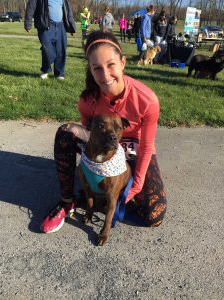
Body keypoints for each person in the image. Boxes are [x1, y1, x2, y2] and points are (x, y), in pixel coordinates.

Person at [40, 30, 167, 234]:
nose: (105, 75)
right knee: (66, 132)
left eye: (111, 65)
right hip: (101, 145)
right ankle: (67, 201)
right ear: (90, 70)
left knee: (154, 214)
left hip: (133, 150)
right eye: (97, 68)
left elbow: (147, 146)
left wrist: (137, 184)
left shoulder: (147, 99)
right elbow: (90, 137)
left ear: (123, 62)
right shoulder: (87, 100)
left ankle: (111, 194)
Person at [24, 0, 76, 80]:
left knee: (61, 50)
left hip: (60, 26)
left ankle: (59, 74)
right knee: (47, 50)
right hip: (46, 26)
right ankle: (45, 70)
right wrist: (28, 23)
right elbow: (31, 7)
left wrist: (72, 27)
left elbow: (68, 12)